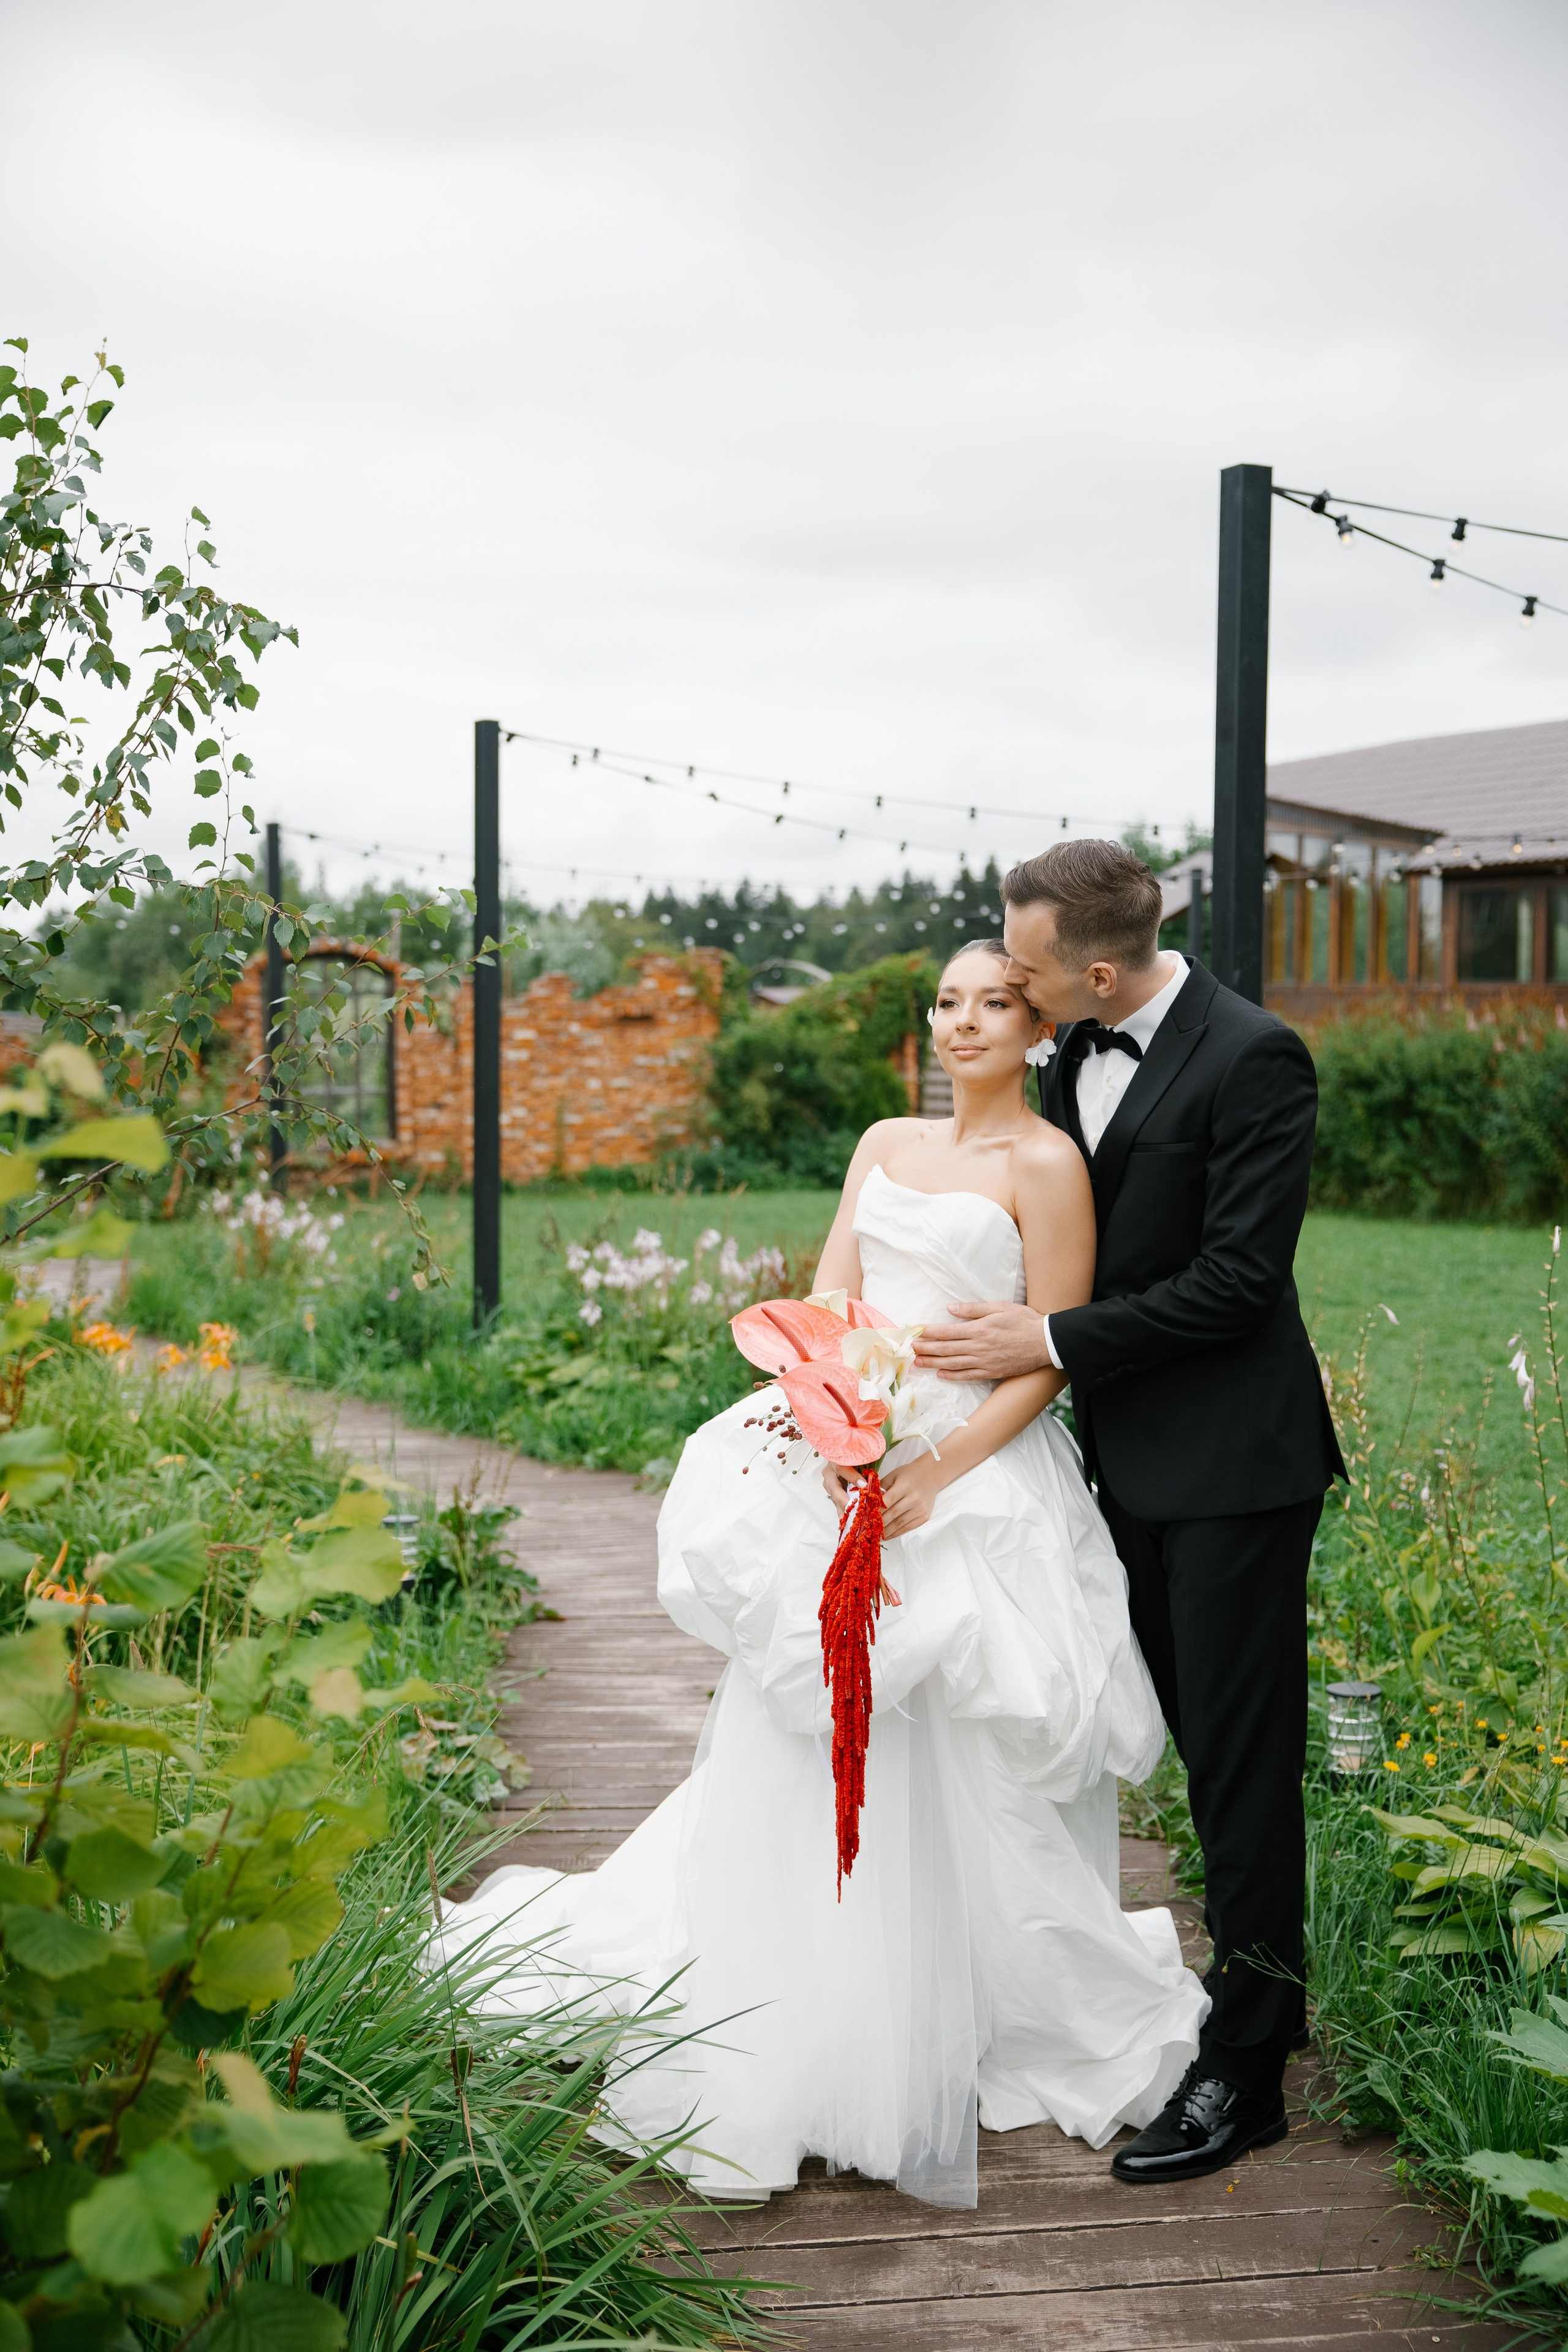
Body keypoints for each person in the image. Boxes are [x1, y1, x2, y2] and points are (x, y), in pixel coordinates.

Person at [431, 938, 1206, 2208]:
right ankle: (814, 1994)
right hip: (851, 1447)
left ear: (1035, 1030)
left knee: (973, 1738)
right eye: (946, 1003)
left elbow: (1051, 1352)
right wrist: (842, 1433)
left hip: (974, 1470)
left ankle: (968, 1995)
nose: (961, 1023)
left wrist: (936, 1464)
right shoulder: (881, 1141)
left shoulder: (1046, 1163)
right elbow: (826, 1302)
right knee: (811, 1720)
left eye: (992, 1004)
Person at [913, 839, 1344, 2187]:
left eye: (1023, 969)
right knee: (1168, 1742)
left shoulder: (1254, 1056)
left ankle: (1250, 2070)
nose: (1010, 991)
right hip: (1117, 1466)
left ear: (1095, 969)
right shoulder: (1070, 1048)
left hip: (1233, 1470)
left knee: (1237, 1765)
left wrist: (1049, 1332)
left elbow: (1233, 1285)